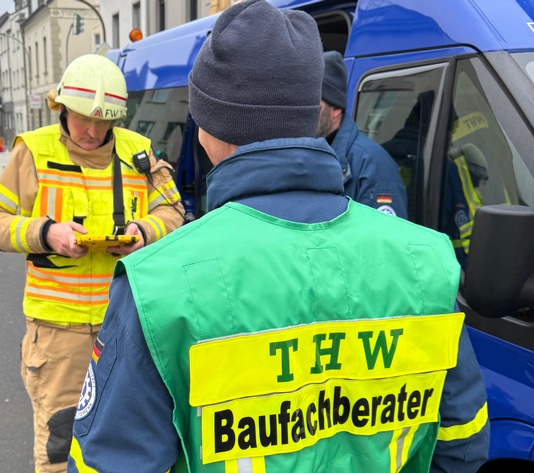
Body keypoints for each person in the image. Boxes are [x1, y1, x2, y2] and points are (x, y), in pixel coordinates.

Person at [68, 1, 488, 472]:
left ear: (206, 127)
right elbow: (462, 439)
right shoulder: (426, 261)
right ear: (314, 115)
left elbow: (110, 463)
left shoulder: (158, 284)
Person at [0, 54, 184, 473]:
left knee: (133, 435)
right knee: (59, 441)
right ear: (62, 109)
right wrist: (46, 233)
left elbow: (174, 214)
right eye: (83, 119)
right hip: (58, 332)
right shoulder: (33, 151)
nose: (93, 131)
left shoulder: (138, 152)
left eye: (104, 121)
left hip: (128, 322)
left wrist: (143, 233)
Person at [317, 50, 408, 218]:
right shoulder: (310, 154)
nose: (307, 111)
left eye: (316, 104)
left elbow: (384, 240)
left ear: (336, 109)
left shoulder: (372, 165)